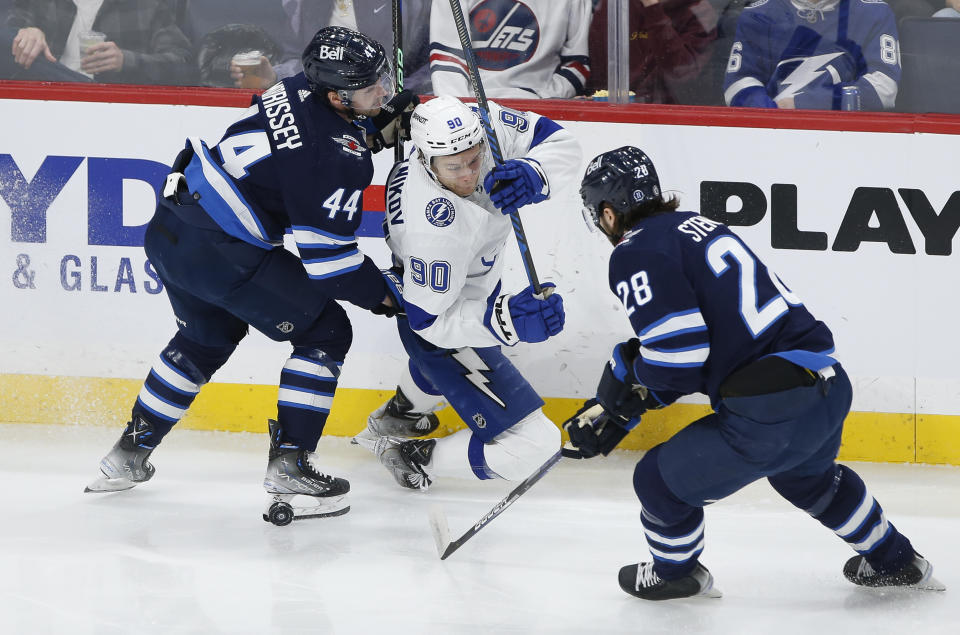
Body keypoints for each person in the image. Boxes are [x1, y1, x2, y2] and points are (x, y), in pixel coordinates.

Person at [565, 145, 945, 600]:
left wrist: (628, 380)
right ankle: (897, 561)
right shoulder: (699, 227)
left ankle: (675, 574)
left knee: (656, 481)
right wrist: (629, 402)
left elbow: (678, 356)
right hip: (826, 385)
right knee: (807, 479)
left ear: (609, 211)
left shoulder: (634, 249)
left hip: (771, 407)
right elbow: (715, 344)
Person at [84, 27, 418, 525]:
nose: (384, 93)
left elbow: (299, 147)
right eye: (371, 88)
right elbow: (330, 265)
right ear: (336, 96)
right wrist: (386, 296)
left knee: (206, 336)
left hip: (173, 226)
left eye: (381, 81)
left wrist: (366, 128)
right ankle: (291, 464)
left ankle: (127, 454)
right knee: (326, 331)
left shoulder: (292, 86)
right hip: (222, 251)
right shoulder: (337, 161)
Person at [354, 95, 580, 491]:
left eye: (474, 160)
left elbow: (561, 141)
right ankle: (413, 455)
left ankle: (399, 416)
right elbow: (430, 323)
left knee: (443, 370)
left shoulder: (481, 124)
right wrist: (505, 319)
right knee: (537, 445)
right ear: (426, 160)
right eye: (453, 167)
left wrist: (534, 171)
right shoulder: (433, 229)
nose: (468, 175)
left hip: (462, 291)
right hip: (438, 320)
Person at [722, 0, 900, 111]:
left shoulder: (874, 13)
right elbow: (738, 83)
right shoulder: (758, 15)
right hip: (772, 139)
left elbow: (883, 87)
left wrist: (805, 103)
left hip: (845, 139)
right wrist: (771, 112)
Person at [428, 0, 593, 99]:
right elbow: (448, 63)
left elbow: (577, 64)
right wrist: (462, 114)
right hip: (474, 112)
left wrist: (543, 99)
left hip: (540, 113)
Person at [4, 0, 194, 84]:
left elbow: (183, 64)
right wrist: (26, 33)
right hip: (44, 100)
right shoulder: (41, 2)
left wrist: (125, 61)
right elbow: (10, 32)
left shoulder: (146, 6)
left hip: (106, 106)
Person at [586, 0, 718, 104]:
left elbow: (681, 72)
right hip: (618, 113)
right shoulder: (616, 6)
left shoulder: (700, 12)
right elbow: (600, 74)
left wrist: (653, 10)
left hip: (673, 118)